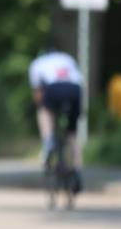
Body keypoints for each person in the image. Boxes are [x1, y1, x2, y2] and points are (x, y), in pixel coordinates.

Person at [29, 48, 83, 192]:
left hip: (54, 88)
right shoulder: (67, 57)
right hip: (75, 89)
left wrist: (43, 108)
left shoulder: (38, 63)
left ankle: (48, 143)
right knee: (72, 134)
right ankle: (77, 170)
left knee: (43, 111)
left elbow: (38, 93)